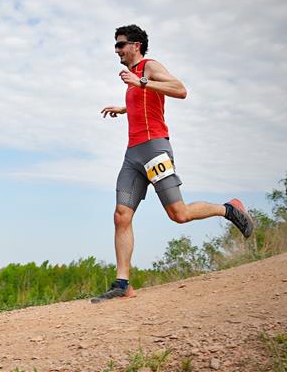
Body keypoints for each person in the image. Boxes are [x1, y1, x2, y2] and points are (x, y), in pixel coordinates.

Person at [91, 24, 254, 303]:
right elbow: (145, 102)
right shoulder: (133, 78)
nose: (116, 50)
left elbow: (180, 90)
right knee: (121, 215)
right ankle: (122, 284)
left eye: (120, 44)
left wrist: (141, 82)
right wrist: (124, 107)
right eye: (115, 45)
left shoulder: (149, 67)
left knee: (179, 214)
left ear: (136, 46)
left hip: (155, 149)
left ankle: (229, 209)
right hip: (133, 154)